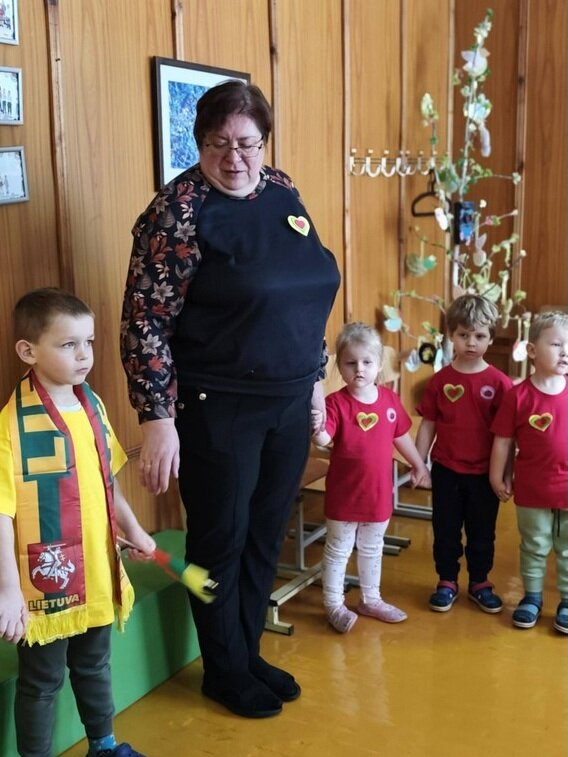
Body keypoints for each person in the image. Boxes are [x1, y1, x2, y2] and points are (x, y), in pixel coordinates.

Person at [120, 80, 340, 718]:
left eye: (247, 143)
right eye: (219, 144)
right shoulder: (177, 212)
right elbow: (145, 322)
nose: (235, 158)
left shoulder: (281, 189)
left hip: (289, 397)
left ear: (264, 142)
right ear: (199, 143)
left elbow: (305, 292)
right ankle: (224, 670)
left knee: (266, 534)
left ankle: (246, 652)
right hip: (218, 404)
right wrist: (157, 418)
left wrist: (316, 376)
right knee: (221, 540)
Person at [0, 288, 156, 757]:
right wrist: (8, 590)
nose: (84, 354)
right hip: (45, 579)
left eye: (88, 341)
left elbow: (108, 480)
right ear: (28, 351)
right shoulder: (11, 425)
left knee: (94, 665)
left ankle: (103, 746)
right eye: (69, 344)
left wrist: (134, 529)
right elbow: (2, 512)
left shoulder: (91, 403)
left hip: (97, 569)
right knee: (42, 680)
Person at [311, 323, 430, 633]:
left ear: (379, 365)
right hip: (345, 495)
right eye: (351, 363)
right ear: (340, 367)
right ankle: (333, 604)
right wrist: (316, 423)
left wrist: (418, 464)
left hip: (378, 494)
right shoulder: (336, 403)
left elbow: (401, 436)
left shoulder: (389, 400)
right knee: (338, 549)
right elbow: (324, 439)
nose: (359, 369)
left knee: (372, 547)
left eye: (367, 362)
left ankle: (371, 599)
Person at [415, 294, 513, 613]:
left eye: (480, 336)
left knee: (482, 532)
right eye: (463, 335)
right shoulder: (440, 381)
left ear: (491, 338)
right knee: (445, 530)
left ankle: (480, 582)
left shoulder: (500, 384)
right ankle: (446, 580)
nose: (471, 342)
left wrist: (506, 474)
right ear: (450, 335)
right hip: (446, 470)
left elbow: (507, 436)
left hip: (484, 474)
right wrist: (419, 464)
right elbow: (428, 424)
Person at [490, 311, 568, 633]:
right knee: (534, 545)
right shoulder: (518, 396)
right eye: (557, 344)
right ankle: (532, 597)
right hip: (533, 488)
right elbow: (503, 441)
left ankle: (566, 601)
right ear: (532, 350)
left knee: (567, 548)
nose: (565, 352)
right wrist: (497, 475)